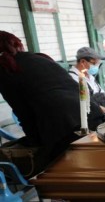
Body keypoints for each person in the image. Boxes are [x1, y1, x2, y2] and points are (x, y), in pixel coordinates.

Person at [0, 31, 80, 174]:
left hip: (62, 129)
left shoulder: (7, 69)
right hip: (89, 116)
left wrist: (35, 143)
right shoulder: (38, 58)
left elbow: (24, 114)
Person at [69, 47, 105, 130]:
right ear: (83, 62)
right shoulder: (73, 78)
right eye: (94, 63)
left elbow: (102, 93)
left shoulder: (89, 76)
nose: (96, 66)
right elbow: (85, 103)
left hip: (102, 116)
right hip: (91, 120)